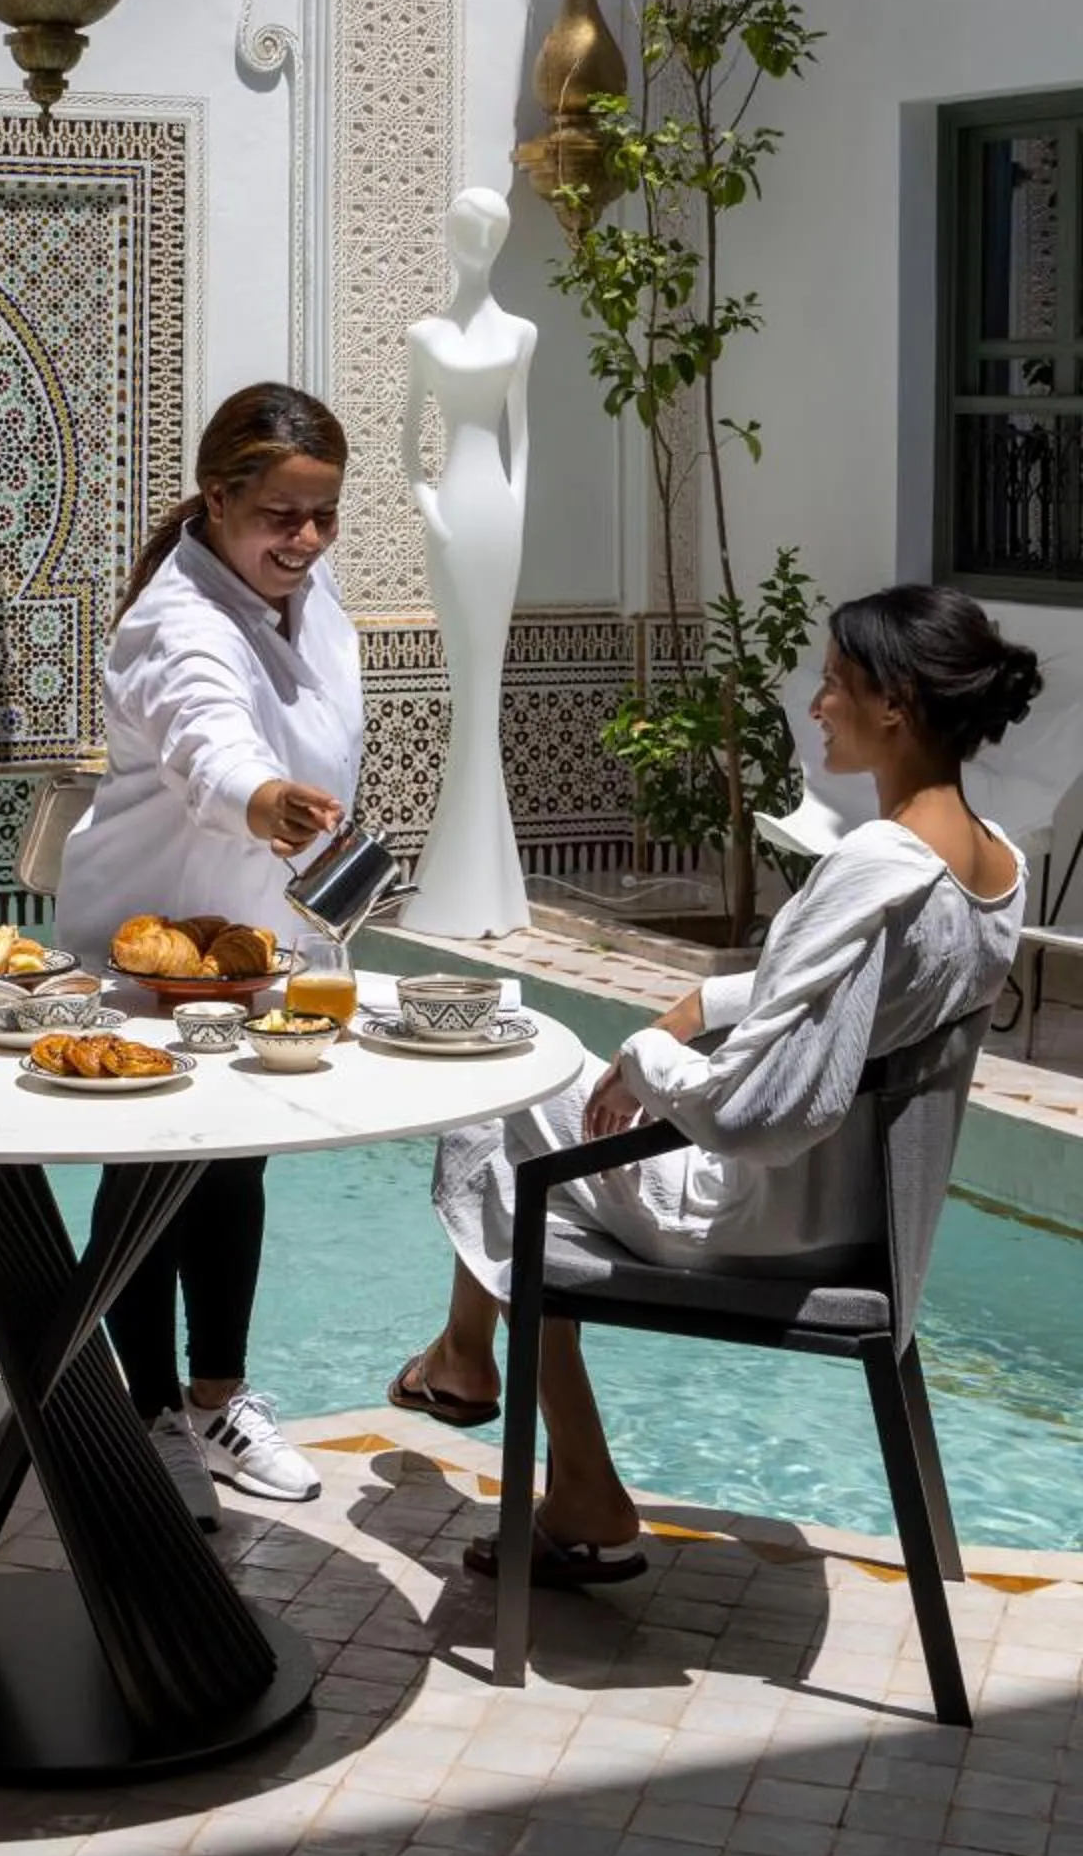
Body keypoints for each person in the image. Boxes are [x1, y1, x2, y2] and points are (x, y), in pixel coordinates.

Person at [390, 584, 1038, 1586]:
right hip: (860, 1218)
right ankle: (465, 1361)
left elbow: (757, 1116)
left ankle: (564, 1472)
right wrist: (698, 1006)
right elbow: (864, 995)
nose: (814, 704)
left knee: (504, 1097)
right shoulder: (991, 864)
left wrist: (644, 1066)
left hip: (760, 1223)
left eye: (832, 683)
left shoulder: (874, 861)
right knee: (531, 1152)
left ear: (895, 704)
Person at [57, 382, 363, 1522]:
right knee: (147, 1175)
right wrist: (262, 796)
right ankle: (144, 1423)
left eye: (323, 514)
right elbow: (206, 735)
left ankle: (218, 1399)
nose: (305, 539)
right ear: (217, 499)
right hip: (139, 952)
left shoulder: (302, 584)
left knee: (234, 1166)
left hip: (247, 946)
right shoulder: (171, 619)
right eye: (281, 516)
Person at [403, 185, 535, 935]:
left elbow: (525, 441)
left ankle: (485, 886)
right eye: (464, 232)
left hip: (498, 515)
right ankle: (461, 882)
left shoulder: (521, 334)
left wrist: (519, 510)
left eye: (486, 234)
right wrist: (428, 506)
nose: (473, 246)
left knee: (488, 684)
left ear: (501, 240)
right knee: (468, 685)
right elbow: (408, 445)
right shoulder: (425, 336)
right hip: (453, 509)